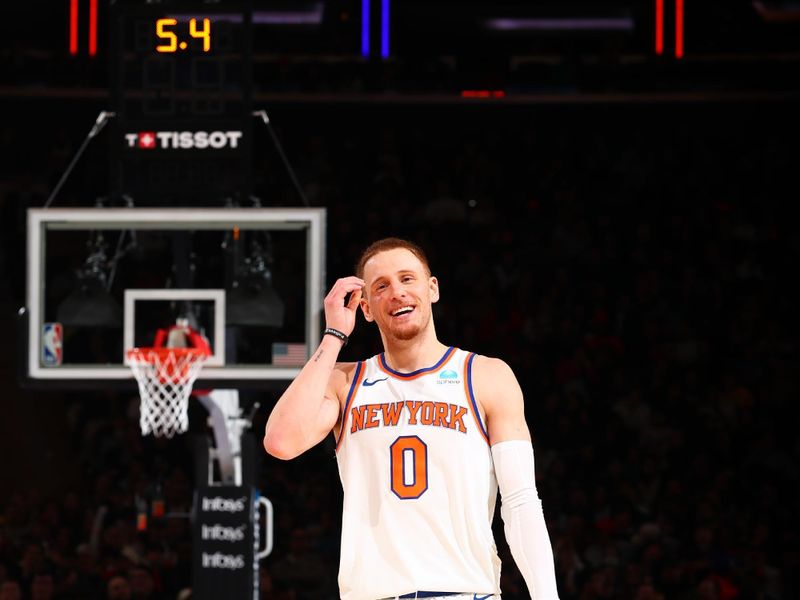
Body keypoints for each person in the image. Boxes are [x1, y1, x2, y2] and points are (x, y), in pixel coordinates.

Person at [264, 238, 560, 600]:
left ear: (432, 288)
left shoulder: (486, 376)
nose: (397, 293)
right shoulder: (344, 381)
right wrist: (334, 334)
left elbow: (520, 502)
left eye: (407, 279)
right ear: (366, 309)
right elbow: (281, 441)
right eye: (381, 286)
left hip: (464, 593)